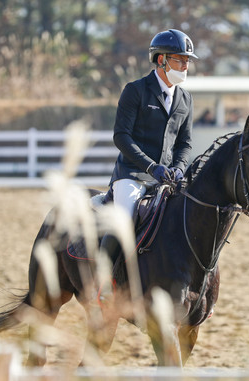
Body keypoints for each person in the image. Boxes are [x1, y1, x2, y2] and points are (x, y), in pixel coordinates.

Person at [99, 29, 198, 282]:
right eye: (180, 59)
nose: (186, 65)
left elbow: (185, 143)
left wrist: (178, 166)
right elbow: (121, 136)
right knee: (124, 219)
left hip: (167, 177)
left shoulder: (185, 99)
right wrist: (151, 167)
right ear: (161, 59)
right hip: (133, 174)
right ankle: (103, 284)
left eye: (187, 60)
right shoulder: (136, 90)